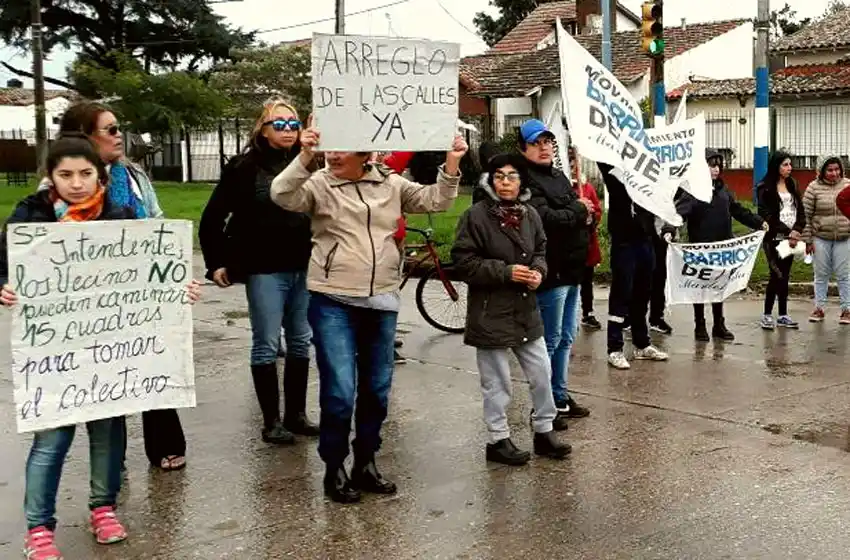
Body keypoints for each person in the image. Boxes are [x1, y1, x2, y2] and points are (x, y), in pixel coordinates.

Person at [0, 136, 202, 560]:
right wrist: (3, 287)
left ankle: (103, 508)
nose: (76, 183)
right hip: (53, 352)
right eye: (65, 174)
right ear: (50, 177)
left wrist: (176, 286)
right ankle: (39, 528)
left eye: (85, 174)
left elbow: (151, 269)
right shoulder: (30, 216)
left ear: (100, 177)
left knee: (108, 434)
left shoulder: (120, 217)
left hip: (109, 349)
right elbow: (5, 266)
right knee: (51, 440)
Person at [270, 124, 467, 504]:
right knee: (340, 392)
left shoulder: (390, 183)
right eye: (330, 148)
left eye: (343, 148)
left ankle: (366, 460)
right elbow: (282, 193)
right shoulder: (320, 183)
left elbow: (436, 201)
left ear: (365, 153)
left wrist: (452, 163)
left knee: (376, 391)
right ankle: (334, 466)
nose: (333, 154)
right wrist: (306, 155)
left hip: (381, 301)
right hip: (333, 300)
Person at [53, 101, 186, 471]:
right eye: (110, 130)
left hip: (142, 290)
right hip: (93, 298)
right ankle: (111, 454)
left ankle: (165, 444)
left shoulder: (133, 175)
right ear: (84, 136)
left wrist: (169, 270)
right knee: (107, 371)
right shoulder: (59, 183)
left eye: (118, 128)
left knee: (153, 363)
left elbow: (157, 221)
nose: (119, 136)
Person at [199, 98, 318, 444]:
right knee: (266, 341)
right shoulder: (245, 167)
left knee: (301, 340)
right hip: (264, 266)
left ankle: (296, 414)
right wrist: (216, 262)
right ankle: (271, 421)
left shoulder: (309, 163)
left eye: (293, 124)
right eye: (279, 124)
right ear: (263, 131)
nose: (288, 130)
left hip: (303, 264)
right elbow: (213, 216)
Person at [452, 153, 571, 465]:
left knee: (542, 372)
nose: (505, 182)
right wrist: (505, 272)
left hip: (525, 310)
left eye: (512, 176)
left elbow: (541, 250)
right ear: (490, 181)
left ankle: (544, 430)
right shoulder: (475, 216)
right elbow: (463, 262)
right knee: (497, 382)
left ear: (522, 182)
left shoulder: (530, 214)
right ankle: (498, 439)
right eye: (499, 176)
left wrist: (539, 272)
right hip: (490, 311)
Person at [518, 121, 593, 421]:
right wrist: (577, 210)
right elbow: (545, 218)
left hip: (573, 270)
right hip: (552, 271)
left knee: (566, 338)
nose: (544, 148)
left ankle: (560, 396)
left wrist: (584, 213)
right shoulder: (526, 181)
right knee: (548, 341)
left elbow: (573, 212)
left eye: (547, 142)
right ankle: (542, 404)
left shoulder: (558, 176)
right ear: (523, 148)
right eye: (536, 143)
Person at [663, 150, 766, 342]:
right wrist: (669, 229)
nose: (716, 169)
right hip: (700, 250)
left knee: (719, 286)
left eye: (718, 165)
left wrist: (758, 222)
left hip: (721, 249)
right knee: (699, 288)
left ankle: (719, 325)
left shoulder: (723, 190)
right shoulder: (692, 191)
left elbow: (737, 210)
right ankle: (700, 325)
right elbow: (679, 214)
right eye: (712, 165)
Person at [599, 163, 669, 370]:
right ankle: (614, 348)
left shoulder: (648, 176)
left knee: (642, 294)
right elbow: (603, 161)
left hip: (646, 241)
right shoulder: (616, 177)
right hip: (624, 244)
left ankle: (642, 344)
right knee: (621, 294)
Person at [757, 151, 805, 330]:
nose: (789, 168)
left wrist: (797, 229)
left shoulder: (792, 184)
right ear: (776, 166)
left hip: (791, 238)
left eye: (790, 164)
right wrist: (787, 231)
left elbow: (800, 210)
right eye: (785, 165)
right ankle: (767, 314)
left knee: (785, 275)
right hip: (774, 238)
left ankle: (783, 315)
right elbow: (766, 214)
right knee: (776, 275)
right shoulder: (765, 187)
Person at [803, 156, 850, 323]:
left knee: (844, 274)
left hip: (844, 237)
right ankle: (819, 308)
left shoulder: (848, 185)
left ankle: (846, 310)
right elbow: (805, 216)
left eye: (837, 169)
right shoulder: (813, 188)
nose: (834, 173)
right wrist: (808, 240)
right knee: (821, 274)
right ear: (822, 171)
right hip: (820, 237)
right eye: (830, 170)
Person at [568, 146, 604, 331]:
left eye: (575, 163)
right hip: (569, 245)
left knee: (587, 281)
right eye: (570, 163)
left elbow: (597, 209)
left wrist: (593, 217)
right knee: (569, 283)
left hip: (587, 242)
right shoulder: (563, 188)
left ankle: (588, 312)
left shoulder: (586, 187)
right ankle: (569, 316)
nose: (573, 167)